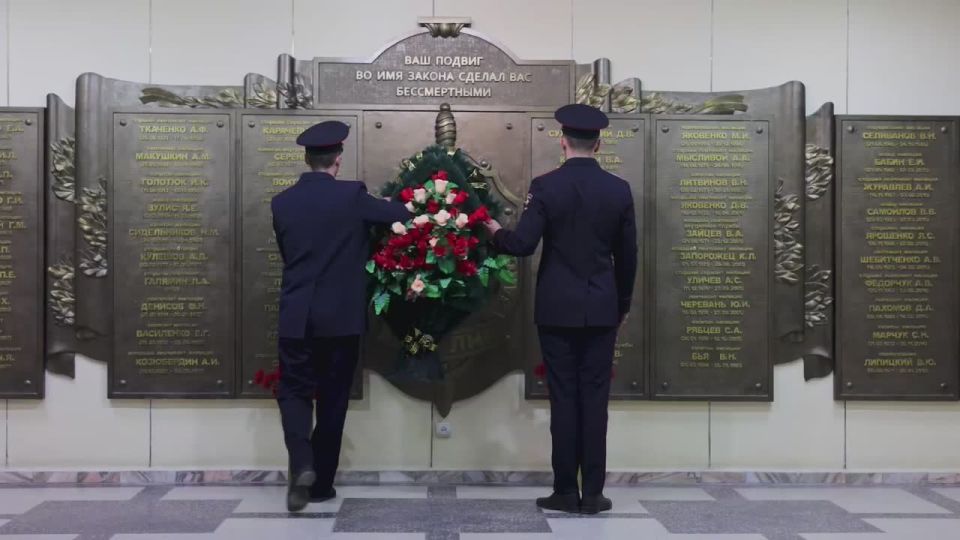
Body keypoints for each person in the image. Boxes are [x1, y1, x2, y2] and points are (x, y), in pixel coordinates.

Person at [484, 104, 638, 514]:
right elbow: (628, 258)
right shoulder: (618, 190)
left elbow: (522, 245)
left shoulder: (546, 186)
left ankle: (565, 490)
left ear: (563, 142)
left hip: (556, 309)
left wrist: (496, 232)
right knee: (595, 399)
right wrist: (621, 304)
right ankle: (594, 494)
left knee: (564, 398)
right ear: (599, 144)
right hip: (602, 308)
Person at [271, 121, 411, 512]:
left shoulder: (282, 202)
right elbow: (397, 214)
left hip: (297, 315)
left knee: (295, 392)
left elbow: (289, 254)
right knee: (333, 398)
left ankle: (301, 462)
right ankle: (320, 484)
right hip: (341, 318)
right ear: (337, 160)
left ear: (307, 159)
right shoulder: (352, 195)